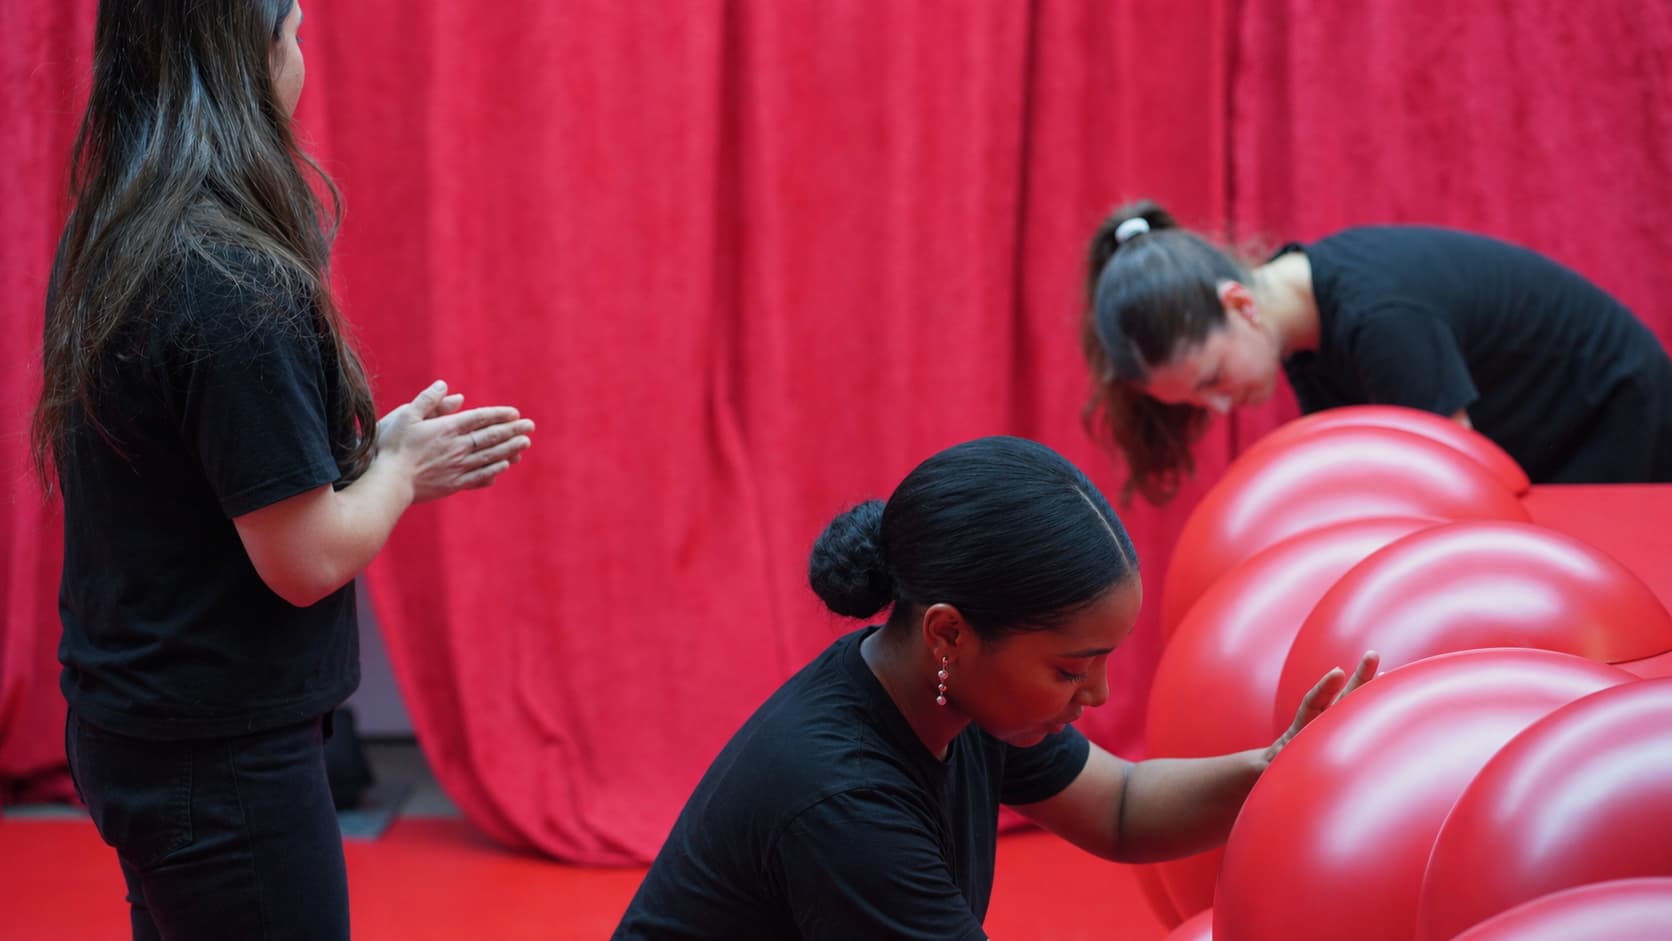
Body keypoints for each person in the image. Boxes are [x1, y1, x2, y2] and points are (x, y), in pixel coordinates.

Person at [30, 3, 535, 938]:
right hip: (217, 757)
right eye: (294, 30)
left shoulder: (114, 232)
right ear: (250, 57)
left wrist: (370, 449)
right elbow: (303, 560)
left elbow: (198, 475)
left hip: (135, 728)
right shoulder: (230, 275)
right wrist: (403, 471)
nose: (302, 52)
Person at [613, 436, 1375, 940]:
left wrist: (1278, 771)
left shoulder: (955, 698)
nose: (1100, 695)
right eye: (1071, 669)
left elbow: (1120, 807)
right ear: (948, 631)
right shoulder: (844, 800)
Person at [1081, 201, 1672, 504]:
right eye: (1197, 400)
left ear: (1239, 304)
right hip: (1551, 448)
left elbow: (1461, 491)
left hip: (1617, 420)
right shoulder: (1302, 335)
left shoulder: (1381, 319)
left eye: (1212, 378)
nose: (1220, 407)